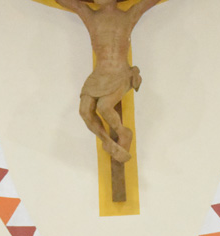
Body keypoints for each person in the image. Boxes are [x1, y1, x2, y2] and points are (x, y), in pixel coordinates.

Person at [55, 0, 165, 163]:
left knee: (104, 106)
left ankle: (123, 132)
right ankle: (106, 140)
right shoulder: (89, 15)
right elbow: (72, 4)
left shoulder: (128, 15)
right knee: (84, 111)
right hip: (99, 73)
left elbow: (145, 4)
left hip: (120, 72)